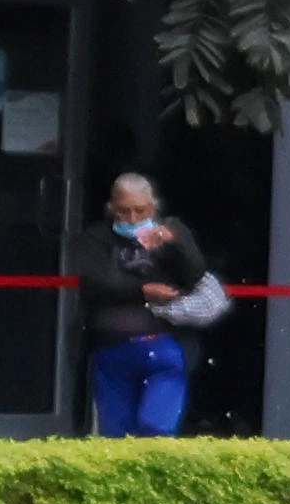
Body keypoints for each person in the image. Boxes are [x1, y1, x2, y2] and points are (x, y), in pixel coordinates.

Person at [74, 170, 206, 438]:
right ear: (110, 208)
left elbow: (196, 275)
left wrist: (177, 242)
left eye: (140, 211)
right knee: (117, 435)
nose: (132, 219)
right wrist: (142, 291)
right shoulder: (96, 238)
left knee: (156, 428)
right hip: (112, 346)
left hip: (164, 343)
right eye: (123, 211)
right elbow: (93, 283)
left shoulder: (170, 232)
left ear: (154, 207)